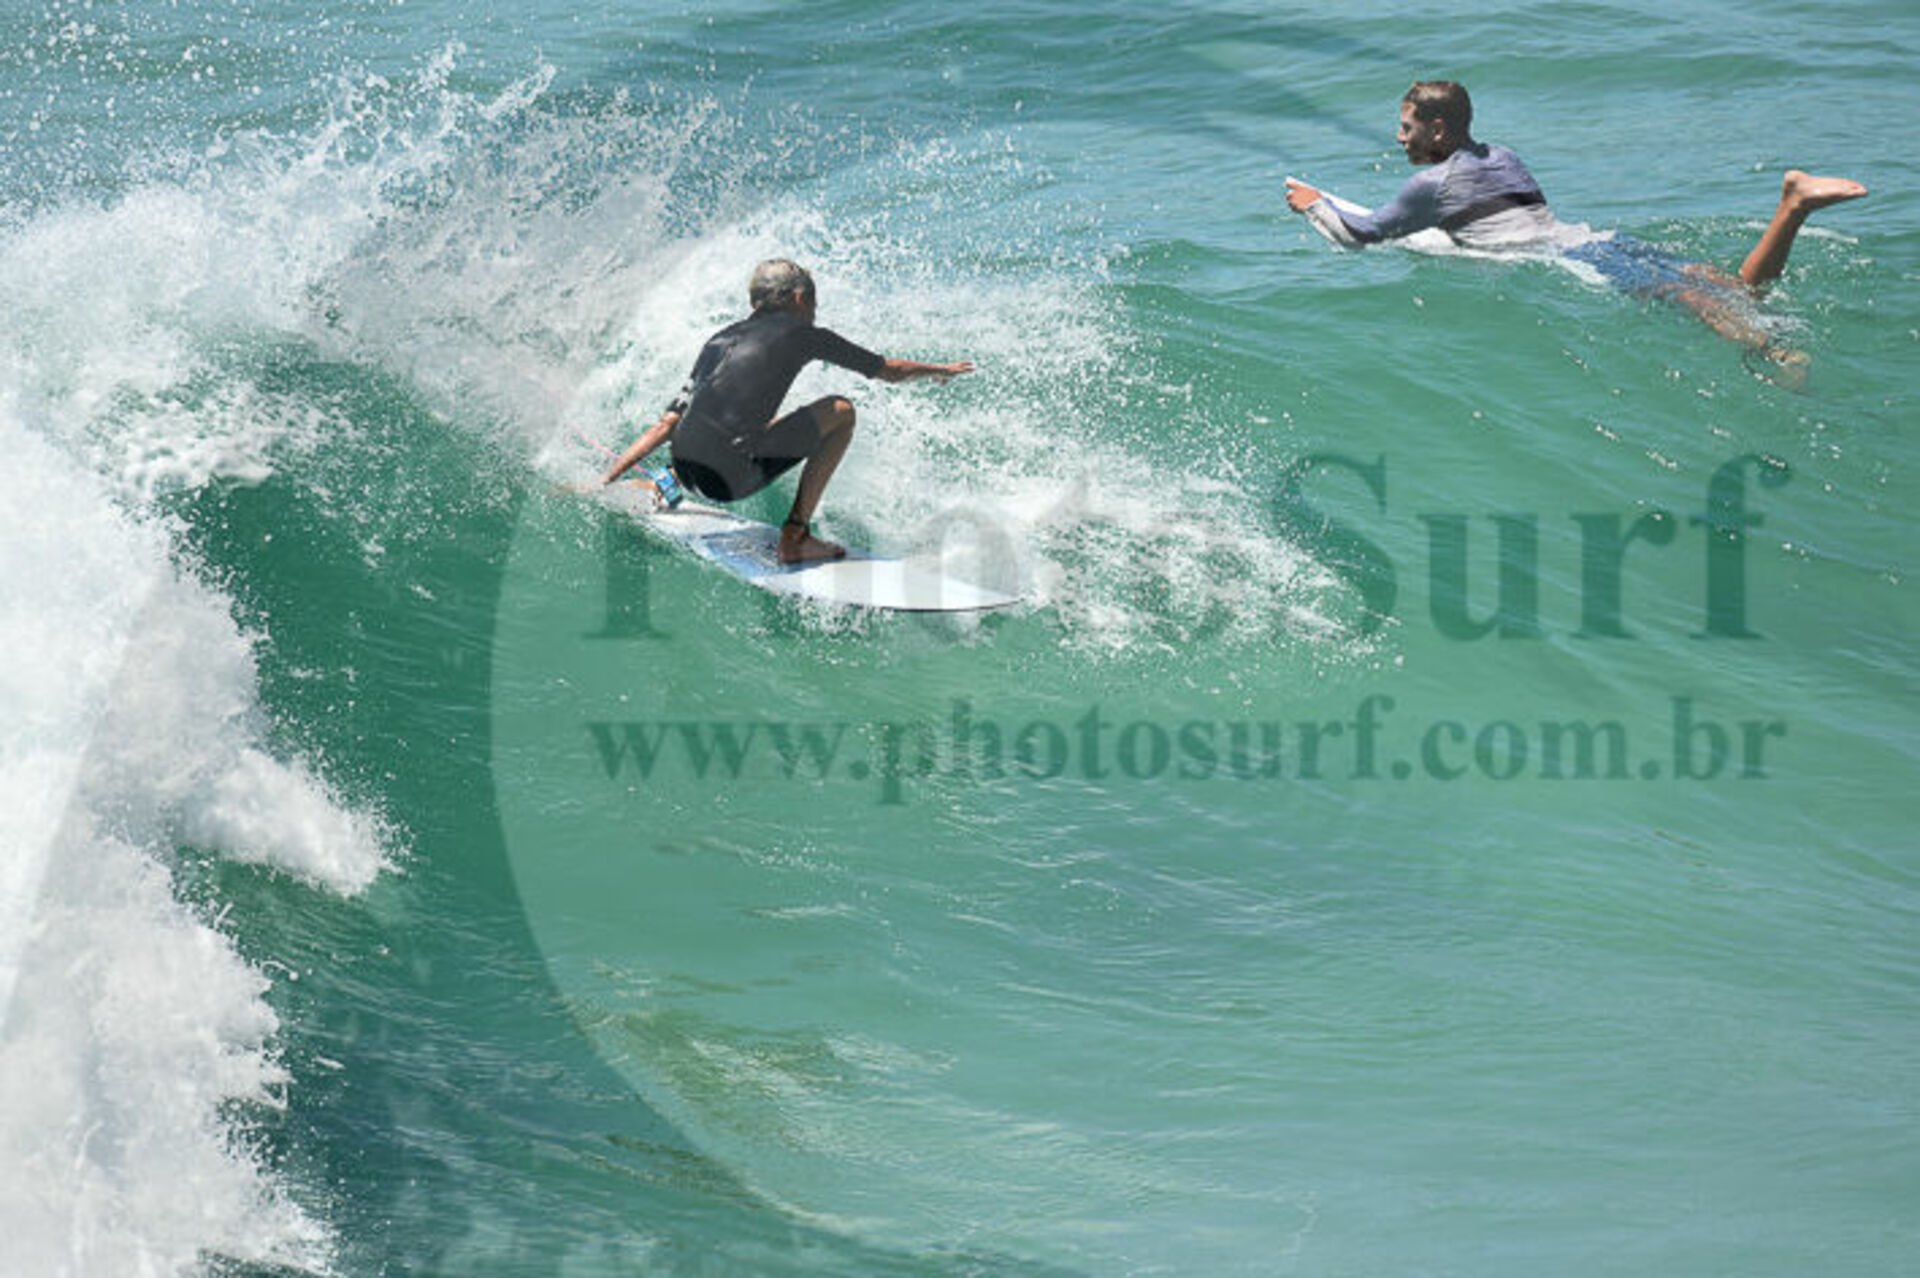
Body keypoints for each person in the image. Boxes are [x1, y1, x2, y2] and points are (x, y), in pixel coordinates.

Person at [1283, 81, 1867, 370]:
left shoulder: (1431, 185)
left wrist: (1312, 203)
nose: (1398, 138)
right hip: (1599, 239)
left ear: (1437, 130)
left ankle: (1774, 354)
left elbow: (1359, 236)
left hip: (1573, 260)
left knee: (1690, 300)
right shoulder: (1502, 154)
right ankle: (1792, 207)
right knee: (1731, 287)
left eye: (1407, 128)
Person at [602, 260, 974, 563]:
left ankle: (664, 483)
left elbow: (666, 424)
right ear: (798, 298)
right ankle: (795, 536)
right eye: (813, 302)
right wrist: (939, 371)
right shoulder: (804, 334)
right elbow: (888, 370)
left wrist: (607, 479)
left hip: (685, 465)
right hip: (726, 479)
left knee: (754, 423)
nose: (814, 311)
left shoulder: (718, 340)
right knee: (841, 411)